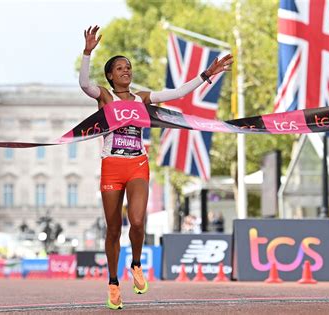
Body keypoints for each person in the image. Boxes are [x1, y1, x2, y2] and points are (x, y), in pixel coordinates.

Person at [79, 25, 233, 310]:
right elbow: (84, 84)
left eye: (130, 67)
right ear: (110, 75)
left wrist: (206, 75)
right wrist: (87, 52)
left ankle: (136, 265)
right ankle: (113, 283)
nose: (127, 71)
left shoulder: (142, 98)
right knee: (113, 229)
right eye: (121, 68)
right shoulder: (104, 96)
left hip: (138, 163)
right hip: (112, 164)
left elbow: (176, 92)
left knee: (137, 222)